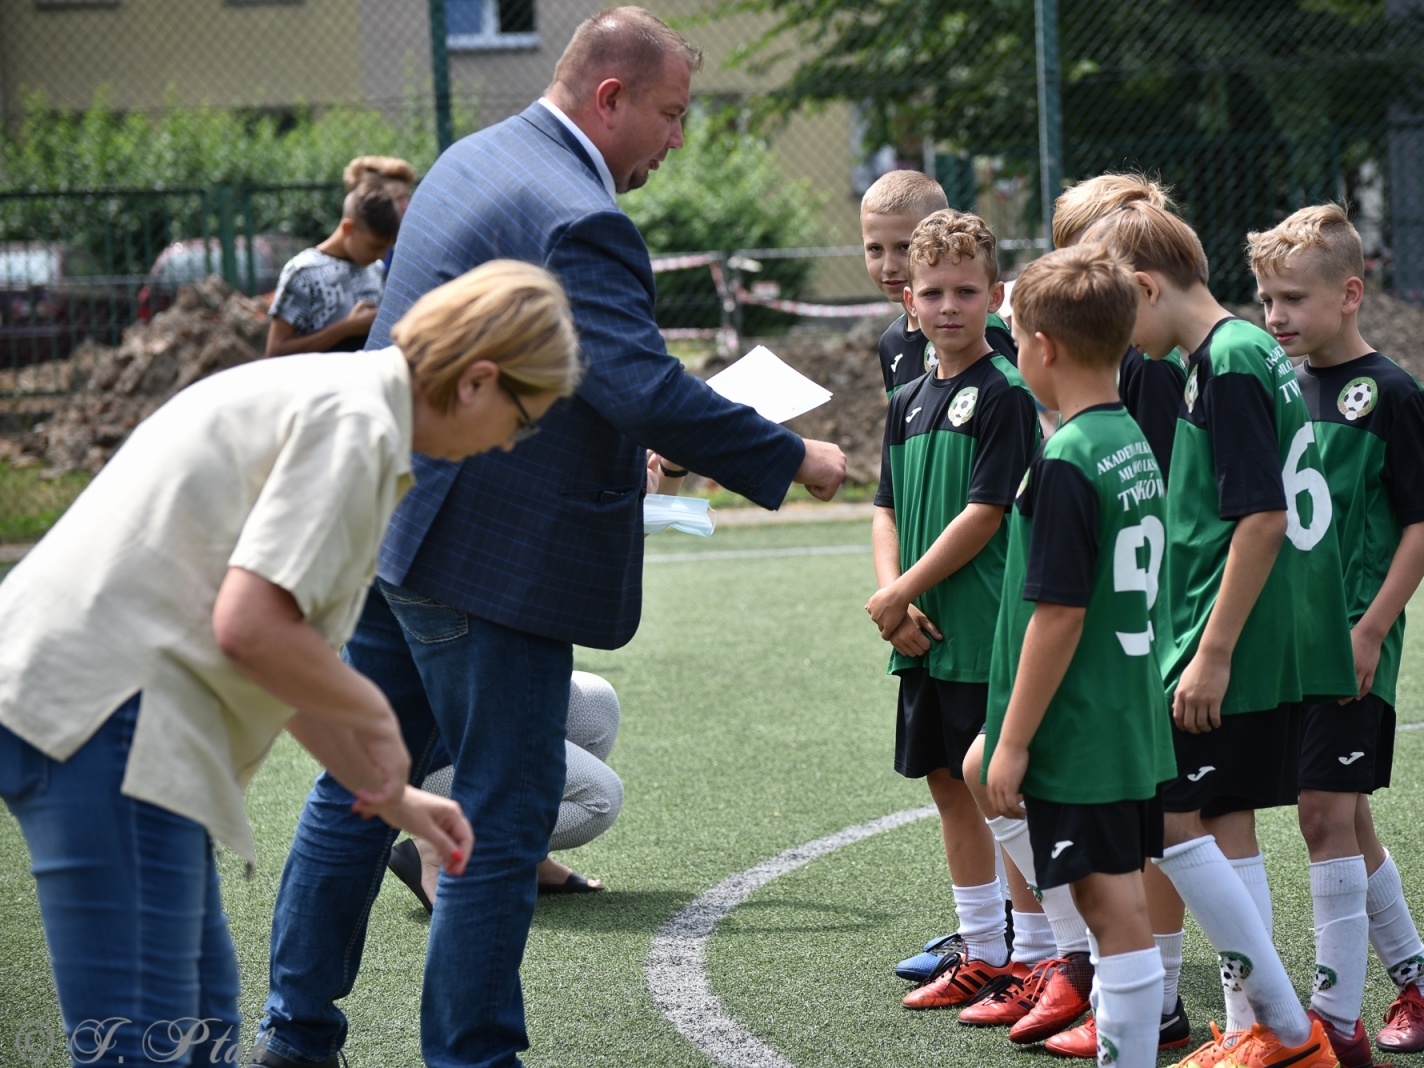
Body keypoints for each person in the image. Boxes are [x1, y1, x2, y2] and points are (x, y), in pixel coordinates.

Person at [249, 9, 847, 1068]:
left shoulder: (472, 158)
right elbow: (634, 383)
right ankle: (474, 1059)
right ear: (608, 97)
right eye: (669, 115)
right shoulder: (581, 213)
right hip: (494, 562)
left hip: (401, 526)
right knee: (499, 811)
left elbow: (551, 371)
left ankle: (295, 1037)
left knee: (358, 783)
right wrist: (791, 459)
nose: (676, 139)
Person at [0, 258, 582, 1068]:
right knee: (148, 1046)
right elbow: (249, 625)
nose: (508, 444)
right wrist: (374, 714)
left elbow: (278, 657)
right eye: (523, 419)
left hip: (107, 710)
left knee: (197, 1028)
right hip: (109, 715)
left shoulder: (345, 406)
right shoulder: (358, 426)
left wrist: (398, 798)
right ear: (478, 381)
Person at [1084, 200, 1355, 1068]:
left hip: (1235, 637)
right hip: (1241, 629)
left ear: (1145, 287)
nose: (1113, 334)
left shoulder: (1232, 362)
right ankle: (1257, 1026)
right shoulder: (1233, 353)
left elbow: (1263, 519)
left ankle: (1279, 1029)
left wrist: (1213, 651)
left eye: (1114, 309)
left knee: (1174, 820)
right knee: (1220, 818)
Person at [1249, 204, 1424, 1064]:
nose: (1275, 316)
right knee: (1344, 819)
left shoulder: (1394, 394)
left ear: (1350, 294)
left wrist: (1371, 630)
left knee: (1321, 817)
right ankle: (1422, 984)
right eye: (1265, 298)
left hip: (1351, 642)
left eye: (1293, 299)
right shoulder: (1277, 384)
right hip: (1289, 645)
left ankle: (1332, 1025)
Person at [983, 243, 1175, 1067]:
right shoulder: (1128, 434)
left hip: (1083, 724)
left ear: (1044, 347)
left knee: (1107, 906)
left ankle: (1127, 1051)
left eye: (1018, 336)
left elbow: (1058, 615)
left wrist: (1015, 740)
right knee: (1114, 898)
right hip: (1124, 708)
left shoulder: (1066, 459)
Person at [860, 171, 1045, 993]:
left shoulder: (1004, 393)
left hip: (979, 626)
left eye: (965, 292)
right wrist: (890, 592)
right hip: (919, 633)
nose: (946, 307)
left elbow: (987, 513)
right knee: (946, 784)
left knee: (1000, 789)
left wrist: (903, 593)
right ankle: (984, 954)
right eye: (931, 292)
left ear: (994, 296)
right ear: (911, 302)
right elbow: (885, 505)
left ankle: (1046, 956)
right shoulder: (905, 395)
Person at [388, 671, 626, 907]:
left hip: (487, 708)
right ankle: (436, 849)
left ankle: (531, 858)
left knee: (596, 701)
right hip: (431, 746)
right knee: (601, 798)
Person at [1053, 172, 1187, 480]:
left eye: (1088, 259)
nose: (1071, 274)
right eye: (1065, 258)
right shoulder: (1096, 350)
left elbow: (1159, 488)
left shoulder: (1151, 363)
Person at [861, 169, 1019, 397]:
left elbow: (1016, 410)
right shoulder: (890, 342)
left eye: (905, 247)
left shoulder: (978, 328)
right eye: (875, 249)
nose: (889, 266)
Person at [265, 176, 399, 357]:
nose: (382, 255)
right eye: (375, 246)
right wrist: (346, 328)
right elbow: (276, 352)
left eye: (387, 248)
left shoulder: (375, 270)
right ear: (347, 228)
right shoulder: (304, 272)